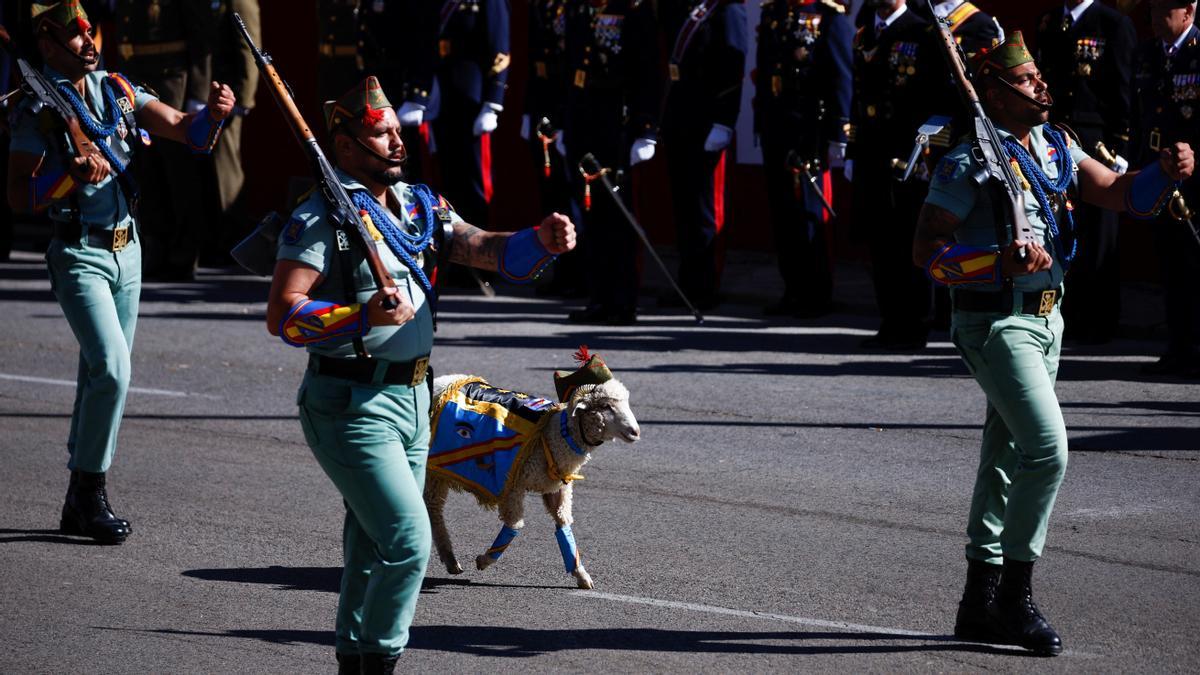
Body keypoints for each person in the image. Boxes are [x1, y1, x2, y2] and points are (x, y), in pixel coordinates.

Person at [264, 76, 575, 673]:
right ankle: (381, 660)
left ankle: (354, 660)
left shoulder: (419, 206)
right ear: (347, 145)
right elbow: (284, 312)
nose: (398, 143)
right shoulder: (320, 216)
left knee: (370, 547)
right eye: (382, 134)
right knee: (409, 544)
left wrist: (539, 241)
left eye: (398, 131)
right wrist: (358, 317)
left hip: (414, 401)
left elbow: (484, 248)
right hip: (350, 403)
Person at [912, 31, 1193, 655]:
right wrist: (996, 261)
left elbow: (1122, 196)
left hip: (1049, 319)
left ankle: (977, 603)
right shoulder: (970, 160)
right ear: (995, 92)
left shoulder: (1058, 144)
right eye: (1027, 80)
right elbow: (927, 254)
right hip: (995, 321)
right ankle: (1015, 596)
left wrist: (1164, 172)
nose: (1042, 86)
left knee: (1006, 458)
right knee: (1048, 450)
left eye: (1040, 76)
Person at [5, 0, 234, 544]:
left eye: (92, 34)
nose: (89, 45)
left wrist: (216, 115)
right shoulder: (35, 111)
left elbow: (186, 130)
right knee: (111, 368)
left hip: (128, 251)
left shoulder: (118, 91)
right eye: (74, 38)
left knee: (100, 375)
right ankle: (90, 491)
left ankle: (79, 497)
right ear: (47, 45)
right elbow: (17, 195)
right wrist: (68, 176)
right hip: (78, 251)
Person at [1036, 0, 1137, 345]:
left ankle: (1102, 320)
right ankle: (1073, 315)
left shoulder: (1113, 24)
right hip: (1058, 139)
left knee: (1100, 237)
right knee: (1066, 227)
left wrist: (1121, 147)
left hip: (1097, 142)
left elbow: (1124, 88)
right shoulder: (1051, 20)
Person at [564, 0, 661, 325]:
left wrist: (647, 129)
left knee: (619, 218)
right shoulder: (581, 9)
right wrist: (569, 124)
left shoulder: (634, 9)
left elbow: (648, 70)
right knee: (591, 215)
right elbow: (574, 69)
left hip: (618, 126)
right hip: (586, 122)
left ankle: (623, 301)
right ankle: (600, 297)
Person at [849, 0, 937, 349]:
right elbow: (858, 94)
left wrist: (925, 152)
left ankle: (916, 324)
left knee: (909, 242)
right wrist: (853, 150)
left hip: (908, 154)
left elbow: (935, 98)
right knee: (880, 244)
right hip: (873, 152)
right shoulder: (865, 31)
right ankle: (889, 321)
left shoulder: (923, 31)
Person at [756, 0, 852, 318]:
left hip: (809, 131)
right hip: (776, 128)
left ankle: (817, 292)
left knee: (810, 214)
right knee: (783, 214)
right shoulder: (774, 12)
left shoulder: (829, 17)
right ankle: (793, 288)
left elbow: (841, 76)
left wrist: (839, 131)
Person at [112, 0, 215, 281]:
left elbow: (200, 34)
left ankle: (184, 252)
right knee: (147, 170)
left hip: (172, 84)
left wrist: (198, 92)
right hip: (134, 80)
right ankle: (156, 245)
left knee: (178, 175)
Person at [660, 0, 747, 311]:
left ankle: (706, 285)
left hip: (708, 121)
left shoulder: (726, 9)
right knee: (684, 208)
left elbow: (733, 70)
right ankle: (688, 283)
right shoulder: (678, 8)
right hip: (679, 118)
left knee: (705, 211)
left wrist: (724, 121)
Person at [1132, 0, 1200, 376]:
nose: (1156, 19)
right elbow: (1139, 112)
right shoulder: (1147, 53)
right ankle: (1178, 345)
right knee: (1171, 263)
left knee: (1195, 261)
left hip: (1195, 177)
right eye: (1153, 11)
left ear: (1187, 13)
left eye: (1164, 12)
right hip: (1159, 173)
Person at [202, 0, 260, 266]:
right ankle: (215, 238)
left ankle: (235, 241)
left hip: (228, 96)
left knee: (226, 173)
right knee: (207, 171)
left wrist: (244, 98)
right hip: (207, 94)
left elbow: (248, 47)